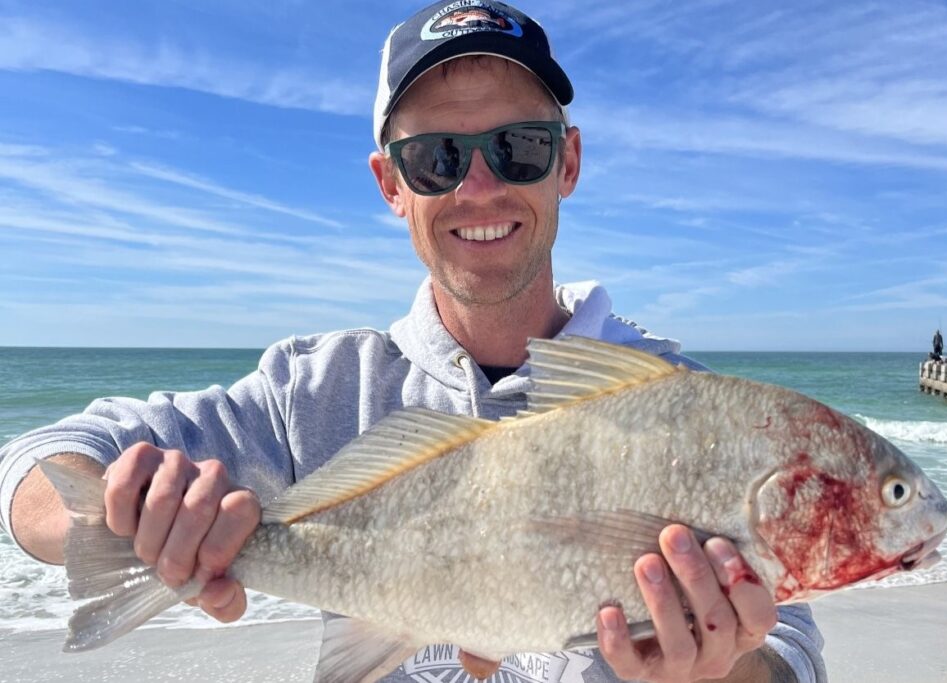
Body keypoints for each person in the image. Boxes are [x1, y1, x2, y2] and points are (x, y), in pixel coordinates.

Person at [0, 3, 825, 683]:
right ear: (390, 184)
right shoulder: (315, 392)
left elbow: (794, 656)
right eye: (435, 159)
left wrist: (728, 670)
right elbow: (46, 456)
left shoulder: (684, 405)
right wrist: (128, 514)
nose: (479, 186)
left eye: (519, 147)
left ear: (567, 161)